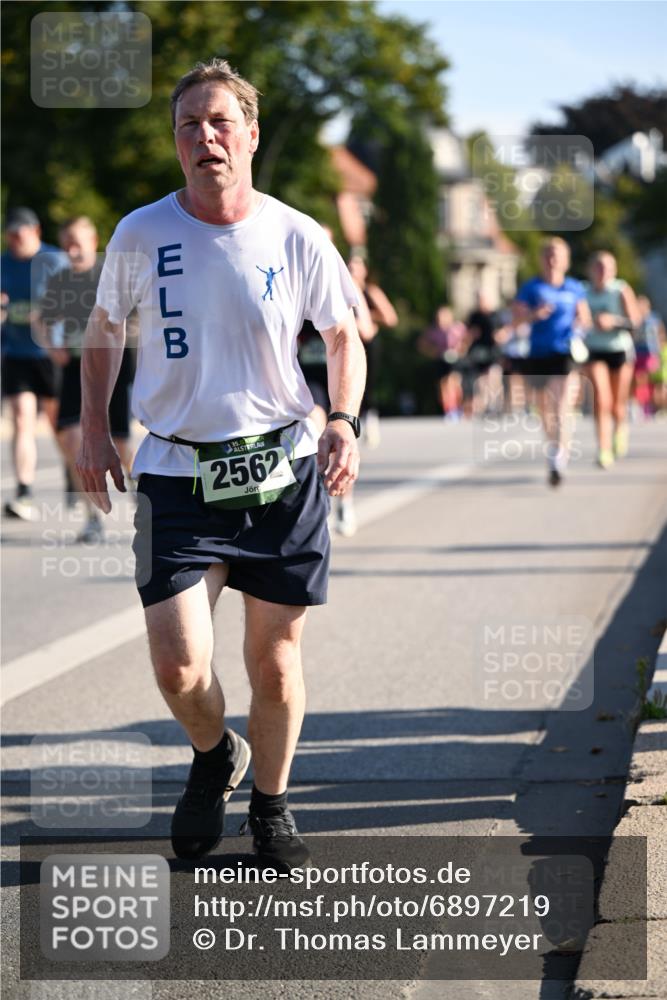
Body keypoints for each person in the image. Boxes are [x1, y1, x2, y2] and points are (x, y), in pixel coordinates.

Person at [76, 58, 365, 869]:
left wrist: (341, 418)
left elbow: (343, 335)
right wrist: (94, 429)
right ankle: (214, 755)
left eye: (219, 122)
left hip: (280, 471)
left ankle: (270, 806)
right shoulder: (141, 232)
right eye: (188, 125)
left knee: (273, 665)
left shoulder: (294, 232)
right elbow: (102, 329)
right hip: (174, 473)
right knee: (179, 666)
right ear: (176, 144)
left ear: (250, 133)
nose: (204, 136)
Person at [39, 216, 136, 542]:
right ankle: (92, 517)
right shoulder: (61, 280)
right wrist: (54, 349)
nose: (72, 249)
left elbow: (139, 319)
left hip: (114, 369)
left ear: (93, 241)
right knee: (72, 440)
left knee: (121, 443)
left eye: (77, 242)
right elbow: (42, 319)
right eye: (67, 244)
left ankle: (142, 492)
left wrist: (120, 343)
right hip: (75, 369)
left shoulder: (110, 274)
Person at [513, 238, 592, 487]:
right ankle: (554, 447)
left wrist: (578, 328)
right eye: (547, 253)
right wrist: (533, 315)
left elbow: (585, 319)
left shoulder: (574, 287)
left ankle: (559, 457)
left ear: (565, 260)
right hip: (537, 353)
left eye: (556, 254)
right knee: (543, 409)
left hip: (564, 352)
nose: (551, 259)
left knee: (561, 406)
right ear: (541, 259)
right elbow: (515, 321)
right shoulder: (531, 287)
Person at [1, 207, 64, 520]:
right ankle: (24, 492)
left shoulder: (54, 261)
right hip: (16, 354)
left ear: (35, 232)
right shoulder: (3, 263)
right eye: (10, 236)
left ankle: (73, 478)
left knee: (59, 427)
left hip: (51, 356)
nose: (14, 242)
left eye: (20, 236)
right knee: (22, 419)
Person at [582, 251, 640, 468]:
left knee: (617, 403)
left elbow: (635, 321)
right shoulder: (584, 292)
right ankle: (603, 448)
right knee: (601, 399)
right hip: (595, 350)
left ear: (613, 270)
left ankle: (620, 429)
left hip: (619, 350)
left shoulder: (621, 290)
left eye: (606, 267)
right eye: (598, 267)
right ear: (591, 270)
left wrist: (613, 321)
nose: (602, 271)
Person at [347, 254, 397, 448]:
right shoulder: (343, 291)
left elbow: (390, 318)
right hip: (351, 342)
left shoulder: (370, 291)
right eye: (350, 267)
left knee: (369, 383)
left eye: (357, 267)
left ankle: (370, 421)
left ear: (365, 270)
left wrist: (368, 317)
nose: (353, 270)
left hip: (369, 342)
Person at [417, 305, 466, 420]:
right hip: (441, 359)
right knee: (443, 385)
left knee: (454, 383)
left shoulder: (458, 328)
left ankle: (458, 407)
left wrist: (459, 349)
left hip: (455, 360)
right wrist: (433, 351)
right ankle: (449, 409)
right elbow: (421, 344)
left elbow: (466, 341)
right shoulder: (434, 331)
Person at [465, 293, 502, 416]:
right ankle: (484, 404)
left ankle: (494, 403)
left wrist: (499, 336)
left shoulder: (495, 315)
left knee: (493, 376)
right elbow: (468, 332)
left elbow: (503, 331)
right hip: (478, 350)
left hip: (492, 350)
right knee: (481, 379)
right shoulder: (474, 316)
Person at [632, 295, 663, 417]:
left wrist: (659, 351)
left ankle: (649, 406)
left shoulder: (653, 319)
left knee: (647, 380)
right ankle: (642, 406)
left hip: (650, 352)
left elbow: (660, 334)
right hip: (637, 352)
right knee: (639, 380)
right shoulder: (635, 319)